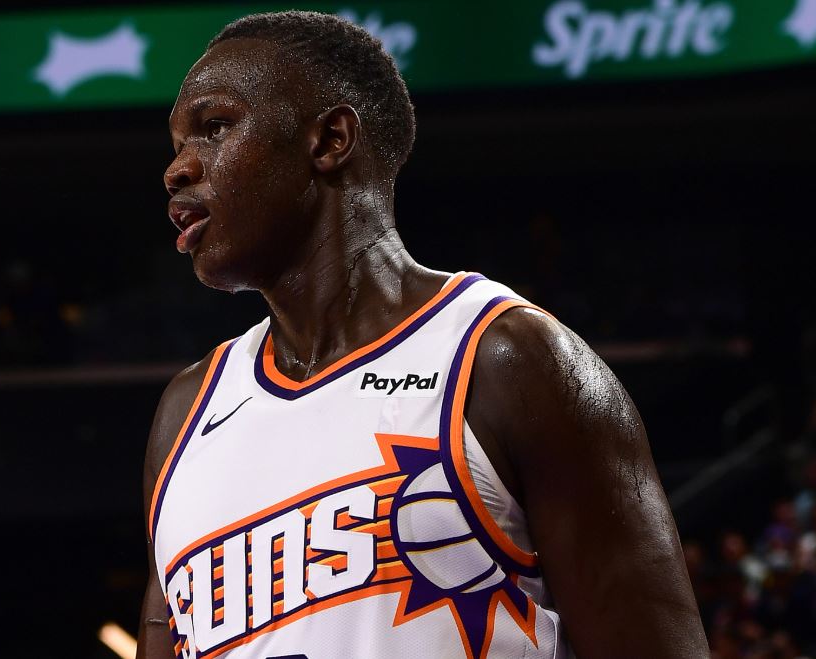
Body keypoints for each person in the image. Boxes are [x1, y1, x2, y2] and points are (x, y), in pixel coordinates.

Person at [139, 10, 708, 658]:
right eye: (176, 143)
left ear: (330, 140)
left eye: (214, 127)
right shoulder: (184, 415)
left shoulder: (506, 360)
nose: (177, 169)